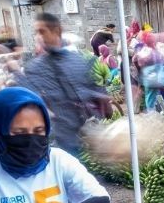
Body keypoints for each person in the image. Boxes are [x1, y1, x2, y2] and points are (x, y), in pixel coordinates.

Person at [15, 13, 108, 154]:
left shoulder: (77, 60)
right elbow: (30, 99)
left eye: (42, 32)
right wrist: (17, 74)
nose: (38, 37)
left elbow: (90, 88)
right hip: (59, 141)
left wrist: (100, 97)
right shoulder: (35, 68)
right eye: (36, 33)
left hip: (87, 135)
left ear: (57, 31)